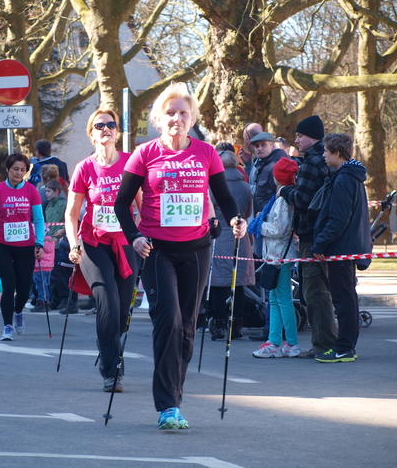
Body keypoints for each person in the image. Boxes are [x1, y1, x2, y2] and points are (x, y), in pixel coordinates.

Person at [114, 82, 247, 430]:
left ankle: (175, 394)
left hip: (197, 249)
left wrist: (236, 219)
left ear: (192, 119)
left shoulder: (206, 153)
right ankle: (167, 405)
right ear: (159, 119)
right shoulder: (144, 154)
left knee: (187, 326)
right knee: (168, 321)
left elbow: (224, 196)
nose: (176, 119)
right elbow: (121, 203)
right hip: (156, 249)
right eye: (170, 113)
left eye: (183, 113)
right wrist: (134, 237)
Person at [65, 108, 140, 393]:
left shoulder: (131, 164)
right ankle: (112, 371)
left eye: (111, 125)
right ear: (91, 134)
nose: (106, 129)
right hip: (93, 243)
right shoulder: (85, 168)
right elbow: (72, 214)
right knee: (107, 302)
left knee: (121, 310)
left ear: (117, 132)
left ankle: (107, 341)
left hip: (126, 243)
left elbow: (143, 205)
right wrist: (73, 244)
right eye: (100, 125)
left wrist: (143, 236)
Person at [278, 115, 336, 358]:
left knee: (315, 292)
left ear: (312, 137)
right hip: (321, 233)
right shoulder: (324, 159)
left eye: (300, 136)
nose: (297, 140)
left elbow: (303, 199)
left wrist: (285, 191)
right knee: (320, 291)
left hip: (312, 234)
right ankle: (324, 342)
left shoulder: (312, 162)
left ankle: (324, 345)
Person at [312, 134, 371, 363]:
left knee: (343, 300)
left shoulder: (344, 180)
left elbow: (338, 219)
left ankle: (344, 348)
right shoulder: (350, 177)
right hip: (346, 247)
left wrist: (320, 243)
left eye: (326, 151)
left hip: (341, 249)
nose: (323, 155)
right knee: (346, 298)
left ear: (337, 153)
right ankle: (345, 346)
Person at [0, 153, 45, 341]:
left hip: (26, 246)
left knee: (24, 289)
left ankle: (18, 311)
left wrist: (40, 242)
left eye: (22, 170)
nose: (19, 173)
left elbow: (39, 219)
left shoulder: (31, 191)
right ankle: (7, 326)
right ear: (8, 169)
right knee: (9, 286)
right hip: (3, 245)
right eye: (15, 169)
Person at [252, 157, 300, 358]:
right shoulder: (282, 198)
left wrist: (259, 225)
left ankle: (288, 342)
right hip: (276, 254)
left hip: (279, 255)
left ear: (277, 177)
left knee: (282, 299)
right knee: (275, 298)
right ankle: (276, 340)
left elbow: (279, 229)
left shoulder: (282, 201)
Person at [206, 150, 255, 341]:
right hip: (240, 237)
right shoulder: (245, 186)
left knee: (218, 283)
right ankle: (236, 325)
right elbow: (248, 211)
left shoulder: (214, 185)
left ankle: (218, 323)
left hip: (220, 237)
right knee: (238, 284)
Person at [31, 180, 67, 312]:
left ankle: (61, 299)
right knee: (50, 276)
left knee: (57, 274)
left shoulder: (63, 204)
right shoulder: (48, 206)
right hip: (49, 242)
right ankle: (53, 300)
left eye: (48, 191)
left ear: (56, 191)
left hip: (58, 242)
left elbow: (65, 221)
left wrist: (62, 231)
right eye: (45, 190)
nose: (46, 193)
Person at [248, 132, 288, 214]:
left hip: (271, 215)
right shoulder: (262, 163)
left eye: (263, 145)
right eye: (257, 146)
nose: (259, 148)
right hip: (262, 214)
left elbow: (279, 195)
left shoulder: (277, 165)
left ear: (272, 145)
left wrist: (268, 215)